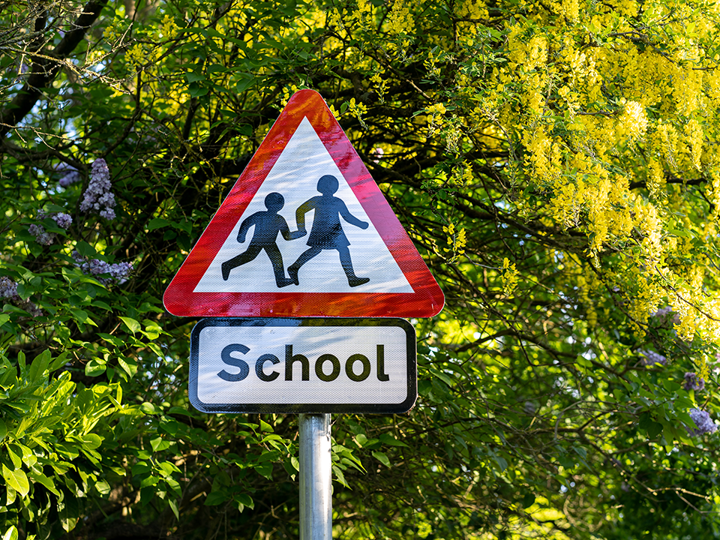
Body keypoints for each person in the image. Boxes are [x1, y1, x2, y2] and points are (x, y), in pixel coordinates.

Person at [288, 175, 370, 287]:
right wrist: (301, 229)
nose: (329, 190)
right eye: (327, 187)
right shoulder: (317, 200)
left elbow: (347, 216)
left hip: (335, 231)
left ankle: (351, 278)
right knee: (320, 249)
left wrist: (360, 224)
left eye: (331, 187)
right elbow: (300, 211)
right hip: (322, 230)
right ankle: (294, 267)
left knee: (335, 249)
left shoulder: (336, 202)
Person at [221, 192, 304, 287]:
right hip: (258, 241)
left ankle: (280, 280)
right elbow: (246, 223)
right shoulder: (262, 215)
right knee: (250, 256)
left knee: (277, 259)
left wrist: (299, 234)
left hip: (270, 243)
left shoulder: (278, 219)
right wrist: (241, 236)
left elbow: (287, 236)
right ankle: (227, 265)